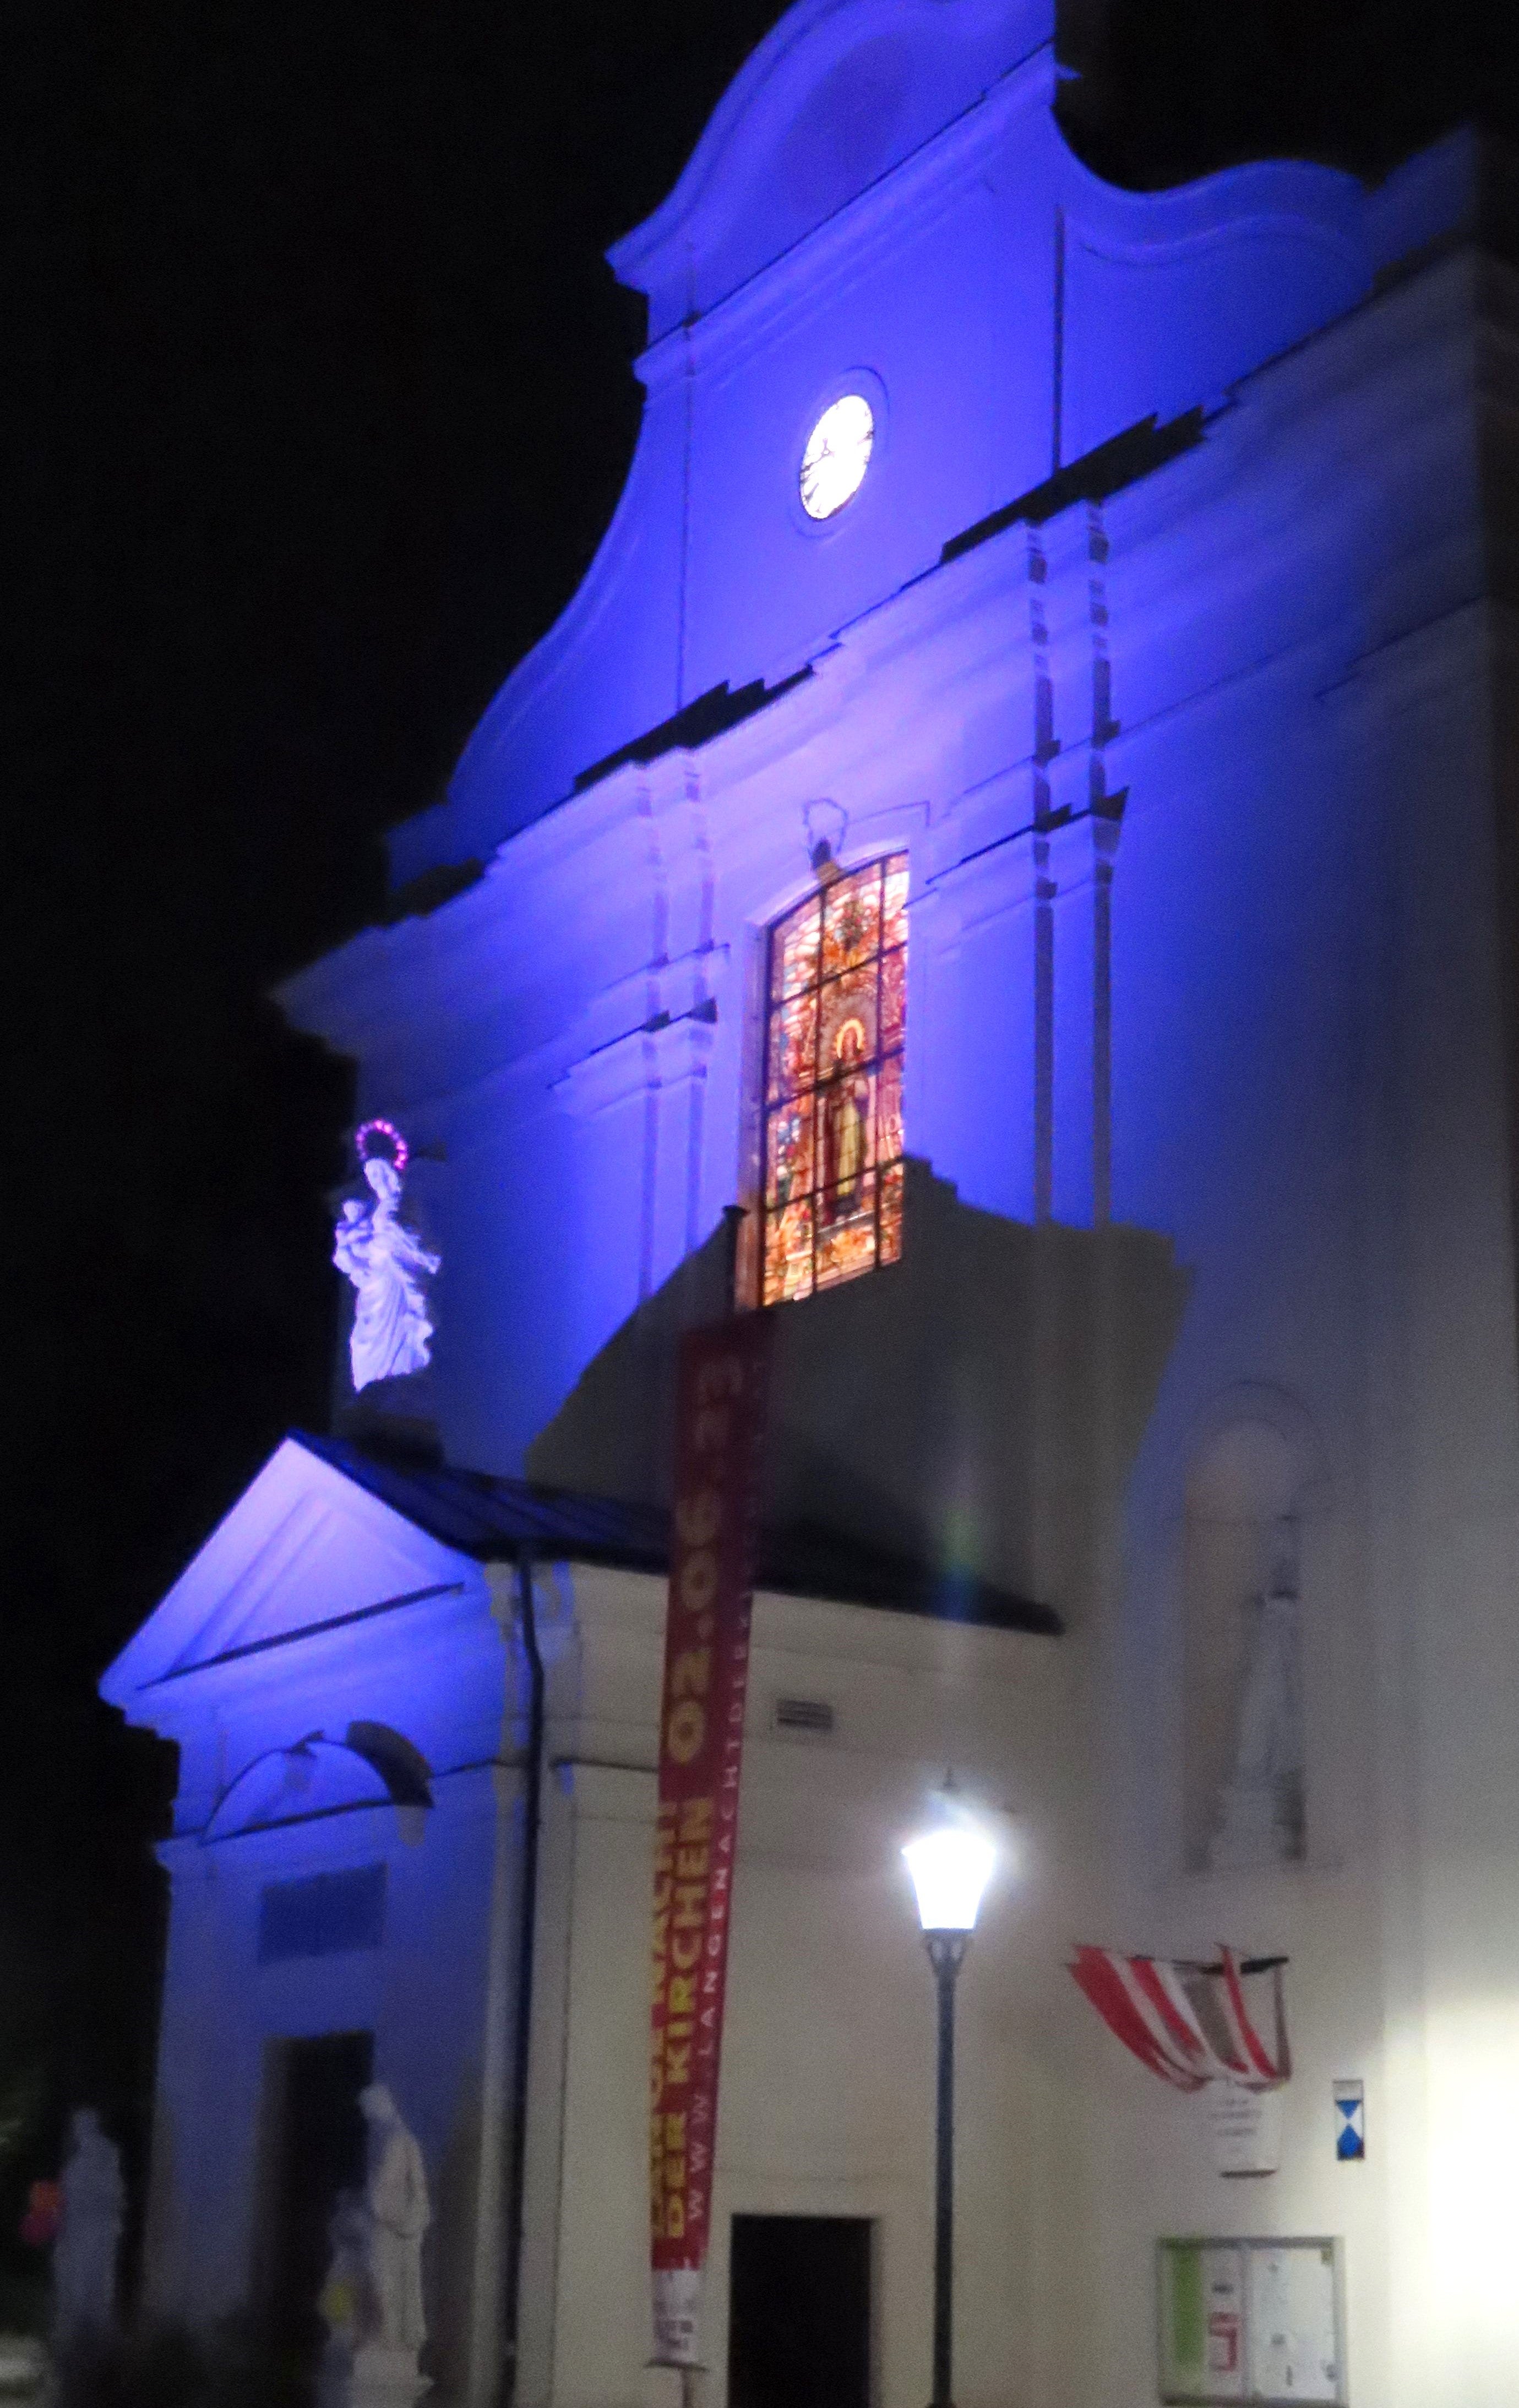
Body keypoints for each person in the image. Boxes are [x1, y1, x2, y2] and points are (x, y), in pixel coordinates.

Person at [334, 1153, 439, 1391]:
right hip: (377, 1276)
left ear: (389, 1176)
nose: (376, 1180)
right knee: (362, 1337)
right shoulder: (376, 1209)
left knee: (397, 1321)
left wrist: (393, 1241)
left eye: (379, 1175)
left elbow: (405, 1232)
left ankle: (398, 1373)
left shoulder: (398, 1202)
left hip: (395, 1272)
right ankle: (374, 1380)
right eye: (372, 1177)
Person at [357, 2084, 430, 2355]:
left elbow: (420, 2190)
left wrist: (409, 2222)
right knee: (378, 2279)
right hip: (377, 2222)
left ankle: (396, 2339)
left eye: (371, 2108)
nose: (370, 2115)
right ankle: (383, 2335)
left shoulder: (406, 2141)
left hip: (400, 2227)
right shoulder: (377, 2142)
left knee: (398, 2282)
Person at [51, 2109, 123, 2347]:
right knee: (75, 2284)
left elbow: (112, 2197)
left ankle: (88, 2336)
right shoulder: (78, 2161)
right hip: (76, 2231)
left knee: (90, 2284)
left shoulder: (106, 2156)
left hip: (94, 2230)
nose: (79, 2131)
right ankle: (76, 2336)